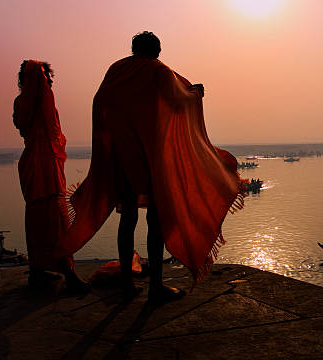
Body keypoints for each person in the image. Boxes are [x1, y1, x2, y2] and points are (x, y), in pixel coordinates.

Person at [54, 31, 244, 302]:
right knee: (156, 218)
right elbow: (178, 100)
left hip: (121, 155)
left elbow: (100, 103)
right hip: (150, 155)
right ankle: (156, 285)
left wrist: (111, 138)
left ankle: (127, 286)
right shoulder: (158, 71)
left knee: (128, 217)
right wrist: (196, 93)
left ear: (134, 49)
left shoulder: (117, 70)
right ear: (156, 51)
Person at [13, 60, 88, 293]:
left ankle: (38, 271)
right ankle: (69, 274)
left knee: (39, 219)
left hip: (37, 165)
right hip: (43, 166)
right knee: (54, 219)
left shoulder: (23, 103)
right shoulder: (37, 104)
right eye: (44, 78)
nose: (48, 82)